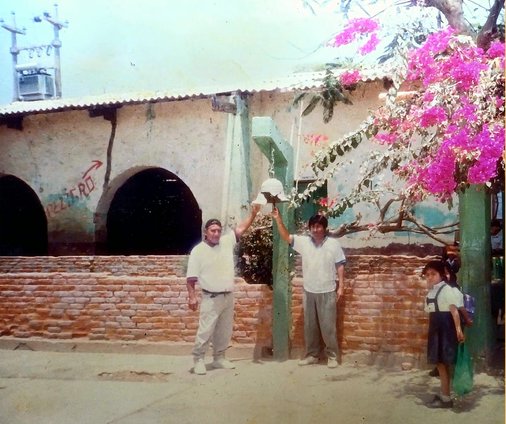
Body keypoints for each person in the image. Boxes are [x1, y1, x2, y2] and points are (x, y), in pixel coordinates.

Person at [186, 203, 261, 375]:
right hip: (211, 298)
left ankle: (219, 358)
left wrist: (253, 213)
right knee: (205, 331)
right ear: (206, 232)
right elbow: (191, 278)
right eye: (213, 230)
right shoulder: (198, 251)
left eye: (219, 230)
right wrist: (192, 297)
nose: (216, 233)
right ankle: (198, 360)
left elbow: (241, 228)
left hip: (228, 297)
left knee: (224, 331)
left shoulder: (226, 242)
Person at [272, 208, 345, 369]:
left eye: (319, 226)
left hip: (327, 291)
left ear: (324, 228)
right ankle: (312, 355)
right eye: (313, 226)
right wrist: (278, 219)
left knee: (328, 327)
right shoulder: (304, 242)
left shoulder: (333, 244)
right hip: (309, 291)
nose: (315, 229)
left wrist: (341, 286)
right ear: (309, 228)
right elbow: (286, 237)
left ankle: (332, 356)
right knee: (310, 327)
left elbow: (340, 264)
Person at [422, 260, 465, 408]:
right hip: (436, 329)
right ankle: (445, 396)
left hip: (446, 329)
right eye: (427, 275)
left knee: (444, 363)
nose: (430, 277)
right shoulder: (431, 291)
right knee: (440, 363)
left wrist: (458, 330)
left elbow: (454, 311)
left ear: (441, 275)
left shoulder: (447, 290)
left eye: (433, 274)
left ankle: (446, 398)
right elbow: (430, 311)